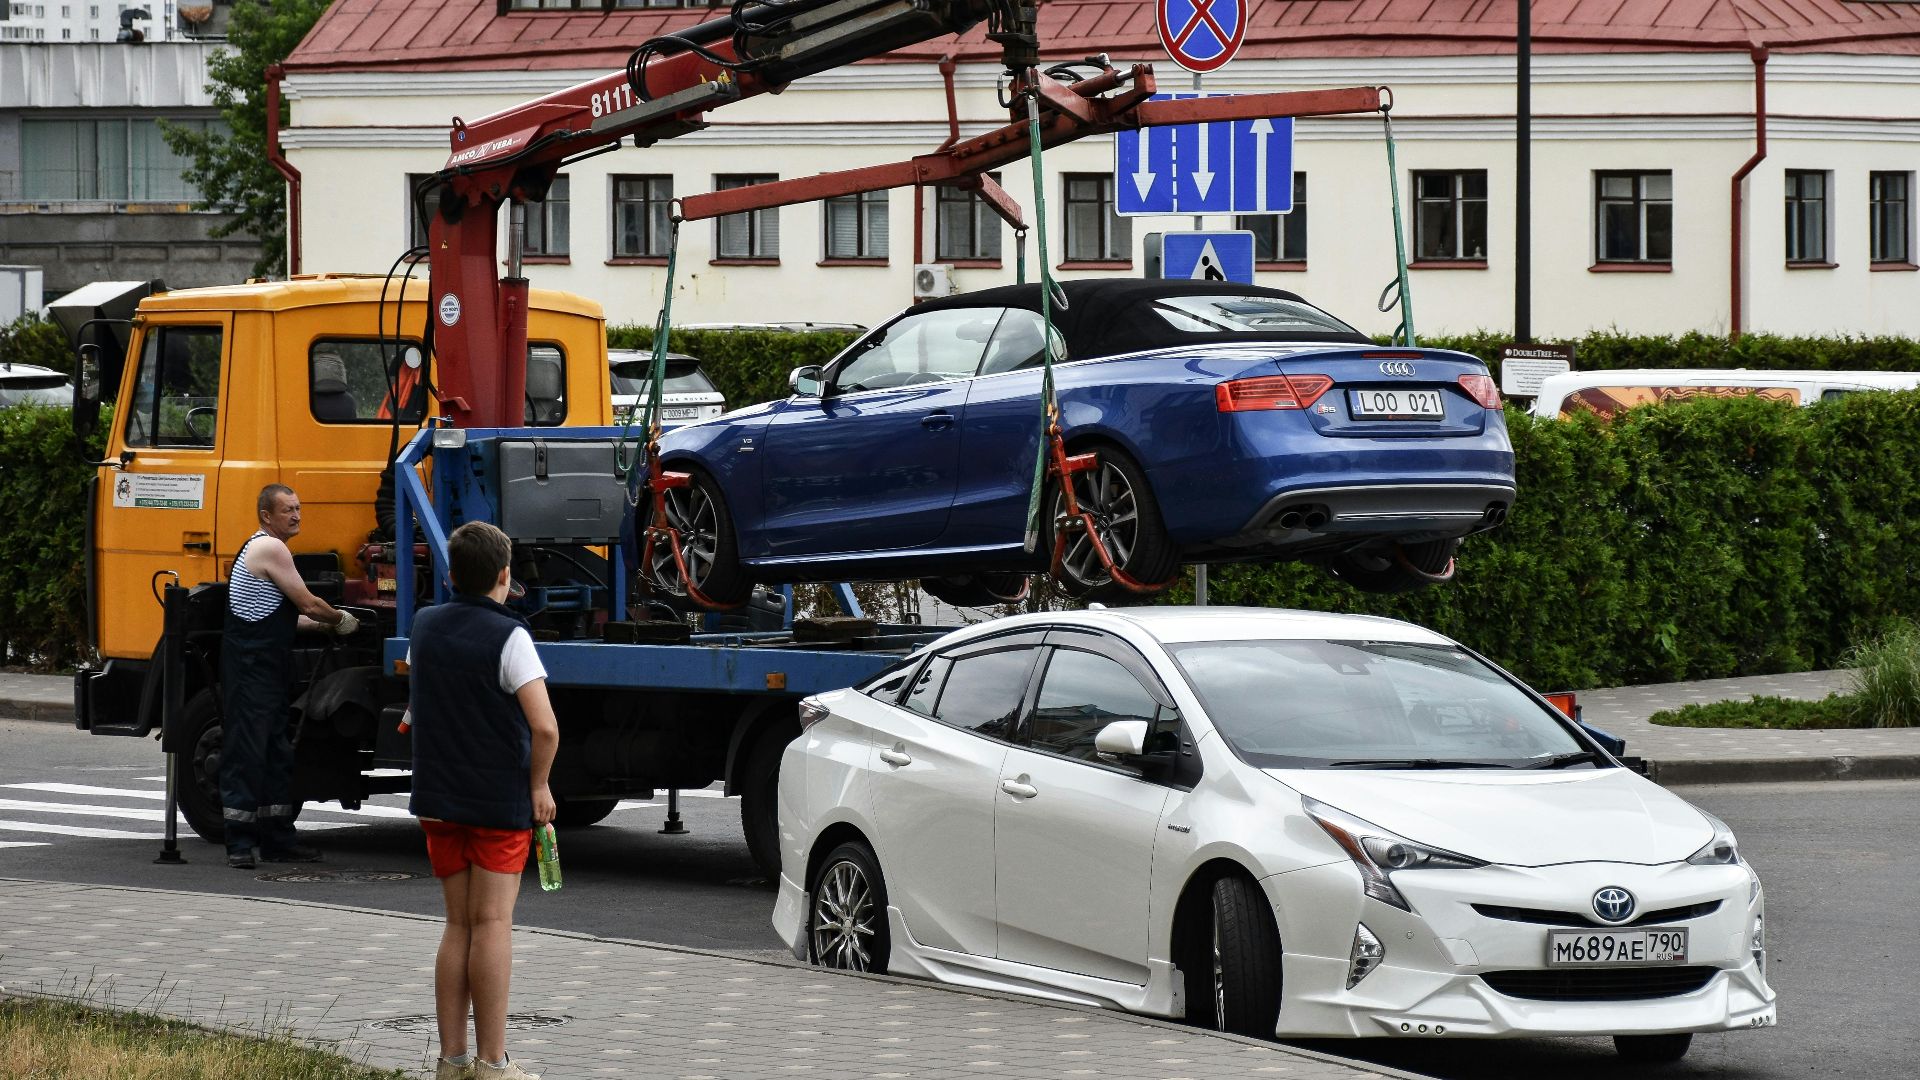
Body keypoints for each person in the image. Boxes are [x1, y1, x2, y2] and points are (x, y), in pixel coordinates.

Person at [408, 520, 558, 1080]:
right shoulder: (510, 635)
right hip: (495, 802)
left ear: (451, 574)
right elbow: (545, 729)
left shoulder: (424, 625)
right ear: (504, 575)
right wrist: (539, 786)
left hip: (438, 799)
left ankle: (451, 1062)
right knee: (492, 924)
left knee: (457, 926)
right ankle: (493, 1065)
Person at [222, 483, 358, 870]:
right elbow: (309, 603)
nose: (297, 515)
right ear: (267, 516)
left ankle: (277, 838)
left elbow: (284, 617)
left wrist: (321, 628)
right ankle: (240, 842)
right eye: (288, 510)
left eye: (299, 508)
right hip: (251, 668)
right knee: (249, 751)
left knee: (276, 751)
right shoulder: (270, 548)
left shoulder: (265, 548)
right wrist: (342, 620)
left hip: (266, 665)